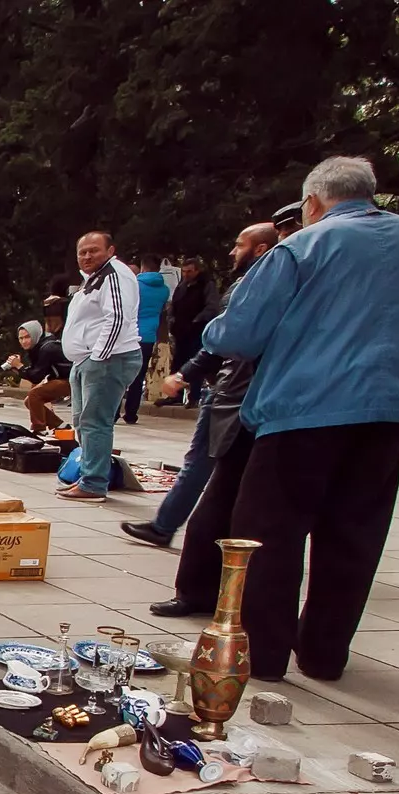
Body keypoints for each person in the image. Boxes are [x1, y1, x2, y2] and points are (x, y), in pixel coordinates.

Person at [203, 155, 399, 681]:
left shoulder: (303, 245)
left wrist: (213, 333)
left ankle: (263, 656)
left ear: (313, 202)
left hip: (304, 408)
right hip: (389, 409)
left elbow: (239, 335)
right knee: (354, 533)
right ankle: (323, 655)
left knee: (268, 534)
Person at [123, 222, 279, 565]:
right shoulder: (269, 286)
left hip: (233, 390)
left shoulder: (252, 286)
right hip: (246, 389)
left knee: (206, 465)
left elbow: (225, 338)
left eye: (240, 245)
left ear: (261, 249)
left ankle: (167, 527)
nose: (232, 251)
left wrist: (184, 373)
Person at [56, 232, 142, 502]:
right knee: (83, 421)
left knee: (96, 422)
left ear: (110, 250)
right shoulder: (94, 278)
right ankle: (88, 476)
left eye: (93, 250)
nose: (87, 256)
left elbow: (117, 318)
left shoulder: (114, 274)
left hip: (108, 360)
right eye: (82, 252)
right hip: (88, 360)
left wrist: (98, 357)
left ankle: (94, 484)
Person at [125, 257, 171, 424]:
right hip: (149, 336)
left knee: (121, 375)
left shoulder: (134, 285)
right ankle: (131, 414)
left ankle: (113, 413)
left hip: (130, 334)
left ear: (143, 268)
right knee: (139, 375)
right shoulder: (164, 290)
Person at [6, 319, 73, 431]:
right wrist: (19, 369)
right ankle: (60, 425)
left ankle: (39, 429)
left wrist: (19, 366)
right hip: (62, 379)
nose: (24, 341)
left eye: (27, 337)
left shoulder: (47, 348)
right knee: (30, 401)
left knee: (35, 395)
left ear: (35, 335)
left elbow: (36, 377)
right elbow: (35, 372)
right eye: (21, 338)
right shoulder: (38, 347)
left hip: (70, 380)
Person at [169, 257, 220, 397]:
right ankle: (175, 395)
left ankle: (194, 395)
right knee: (178, 363)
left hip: (197, 331)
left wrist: (197, 321)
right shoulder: (182, 286)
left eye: (189, 271)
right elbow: (174, 305)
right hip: (180, 331)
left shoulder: (206, 285)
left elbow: (212, 307)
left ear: (197, 270)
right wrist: (172, 320)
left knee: (196, 364)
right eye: (184, 271)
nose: (186, 274)